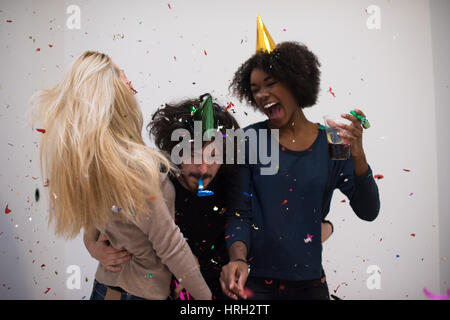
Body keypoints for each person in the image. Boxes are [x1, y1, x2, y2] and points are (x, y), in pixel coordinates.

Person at [85, 92, 336, 299]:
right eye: (192, 153)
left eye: (213, 155)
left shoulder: (234, 180)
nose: (203, 168)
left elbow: (282, 220)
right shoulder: (155, 178)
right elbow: (98, 218)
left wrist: (323, 228)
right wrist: (93, 247)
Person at [30, 51, 212, 300]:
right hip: (137, 294)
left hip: (106, 289)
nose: (129, 80)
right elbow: (171, 246)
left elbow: (96, 224)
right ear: (112, 90)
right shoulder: (137, 167)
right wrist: (206, 299)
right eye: (121, 73)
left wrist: (93, 247)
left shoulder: (102, 162)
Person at [220, 40, 380, 300]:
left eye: (270, 83)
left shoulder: (332, 141)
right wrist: (237, 259)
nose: (262, 94)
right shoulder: (248, 141)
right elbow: (239, 214)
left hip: (310, 286)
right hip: (254, 285)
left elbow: (368, 210)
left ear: (294, 82)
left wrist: (358, 155)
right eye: (255, 89)